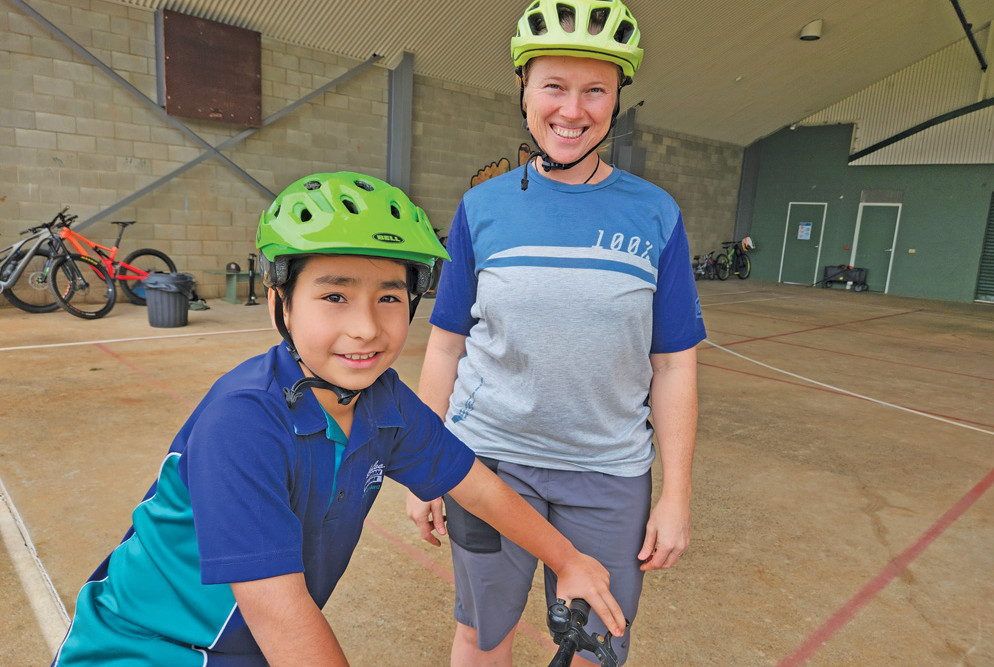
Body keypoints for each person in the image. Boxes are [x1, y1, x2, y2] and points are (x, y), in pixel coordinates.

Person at [52, 172, 624, 667]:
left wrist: (567, 559)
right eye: (334, 297)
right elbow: (281, 614)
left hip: (243, 648)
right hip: (153, 649)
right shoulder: (244, 420)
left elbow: (475, 486)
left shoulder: (385, 401)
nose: (367, 328)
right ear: (281, 304)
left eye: (390, 298)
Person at [405, 1, 706, 664]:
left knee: (598, 644)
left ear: (617, 98)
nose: (573, 110)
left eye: (595, 90)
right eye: (554, 87)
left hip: (609, 475)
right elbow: (446, 345)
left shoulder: (655, 214)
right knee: (484, 634)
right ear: (524, 90)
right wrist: (428, 467)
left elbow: (675, 364)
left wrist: (677, 495)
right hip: (488, 466)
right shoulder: (481, 209)